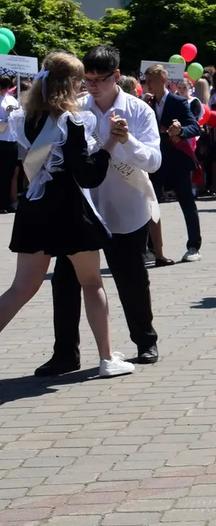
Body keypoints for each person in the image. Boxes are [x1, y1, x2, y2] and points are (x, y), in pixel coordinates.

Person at [0, 52, 134, 378]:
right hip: (69, 211)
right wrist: (109, 147)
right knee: (91, 282)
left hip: (34, 207)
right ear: (70, 83)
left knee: (20, 288)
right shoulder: (72, 121)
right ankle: (106, 359)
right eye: (79, 81)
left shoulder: (26, 117)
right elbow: (88, 175)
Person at [37, 44, 163, 376]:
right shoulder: (74, 108)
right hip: (81, 210)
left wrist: (126, 141)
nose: (91, 86)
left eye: (99, 79)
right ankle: (65, 353)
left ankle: (145, 341)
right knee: (65, 282)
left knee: (131, 278)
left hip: (126, 206)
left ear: (116, 77)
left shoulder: (138, 110)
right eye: (86, 79)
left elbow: (154, 160)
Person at [145, 64, 202, 264]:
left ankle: (194, 246)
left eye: (150, 81)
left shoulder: (178, 101)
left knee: (187, 202)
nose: (147, 85)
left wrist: (180, 131)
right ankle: (151, 248)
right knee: (152, 204)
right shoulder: (147, 103)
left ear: (162, 81)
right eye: (145, 81)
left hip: (177, 159)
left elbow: (195, 127)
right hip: (155, 160)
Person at [0, 76, 18, 214]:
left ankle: (6, 202)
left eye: (6, 88)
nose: (4, 91)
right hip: (1, 139)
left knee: (9, 173)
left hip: (11, 140)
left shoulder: (11, 99)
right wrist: (6, 118)